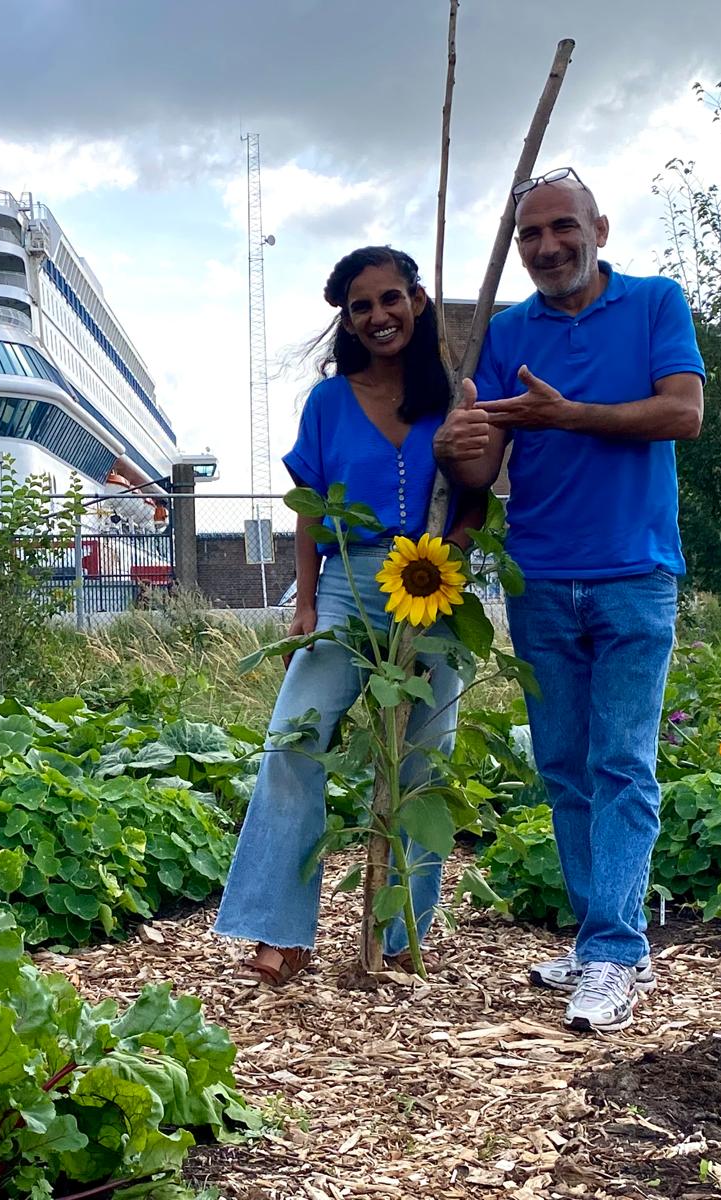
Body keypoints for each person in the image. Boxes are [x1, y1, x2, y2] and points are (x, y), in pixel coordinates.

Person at [434, 169, 704, 1032]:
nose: (547, 246)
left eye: (563, 227)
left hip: (633, 571)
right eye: (531, 234)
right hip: (541, 576)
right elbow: (483, 467)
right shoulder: (507, 331)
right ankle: (601, 939)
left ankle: (615, 952)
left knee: (622, 763)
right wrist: (458, 441)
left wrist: (570, 414)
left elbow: (683, 414)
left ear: (600, 229)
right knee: (561, 766)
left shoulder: (656, 303)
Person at [214, 245, 470, 985]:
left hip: (435, 583)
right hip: (348, 584)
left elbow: (475, 497)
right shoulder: (329, 401)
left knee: (424, 760)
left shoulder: (453, 393)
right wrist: (303, 603)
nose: (378, 315)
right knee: (294, 741)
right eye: (361, 307)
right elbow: (309, 508)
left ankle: (402, 932)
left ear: (417, 301)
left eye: (390, 298)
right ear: (348, 321)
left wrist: (447, 559)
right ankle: (279, 929)